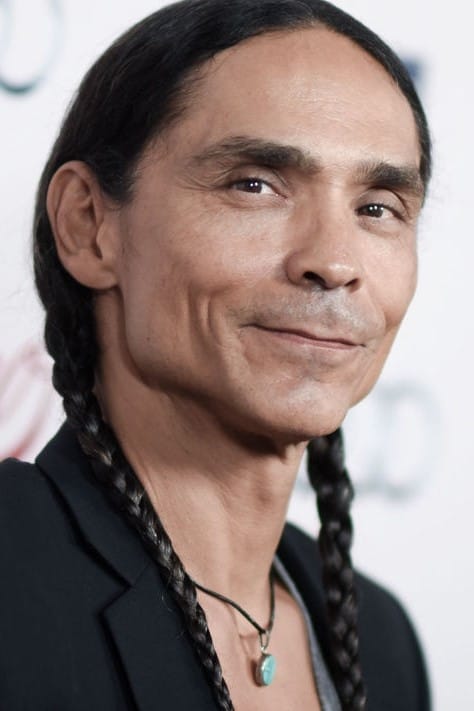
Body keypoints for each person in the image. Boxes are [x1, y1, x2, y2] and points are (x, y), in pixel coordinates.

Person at [0, 1, 432, 709]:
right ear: (88, 224)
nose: (334, 261)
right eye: (254, 184)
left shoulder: (382, 642)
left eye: (377, 207)